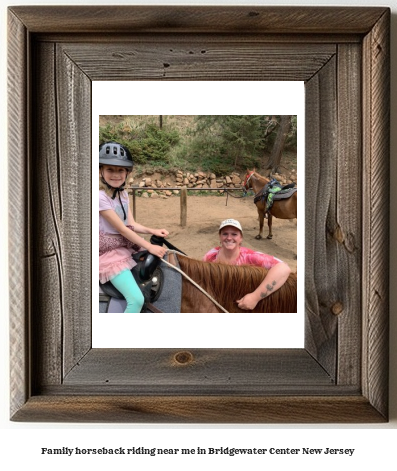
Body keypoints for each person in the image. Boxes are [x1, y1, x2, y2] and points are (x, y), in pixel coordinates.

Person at [99, 141, 169, 313]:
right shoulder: (100, 197)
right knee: (136, 300)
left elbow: (131, 224)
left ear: (127, 172)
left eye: (120, 170)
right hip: (109, 254)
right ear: (100, 171)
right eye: (110, 169)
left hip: (124, 246)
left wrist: (152, 231)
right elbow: (122, 230)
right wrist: (150, 246)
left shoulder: (123, 194)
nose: (116, 175)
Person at [203, 218, 291, 311]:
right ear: (220, 237)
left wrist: (255, 297)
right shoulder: (211, 255)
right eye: (225, 234)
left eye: (234, 234)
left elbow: (283, 268)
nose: (229, 238)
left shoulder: (249, 257)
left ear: (241, 238)